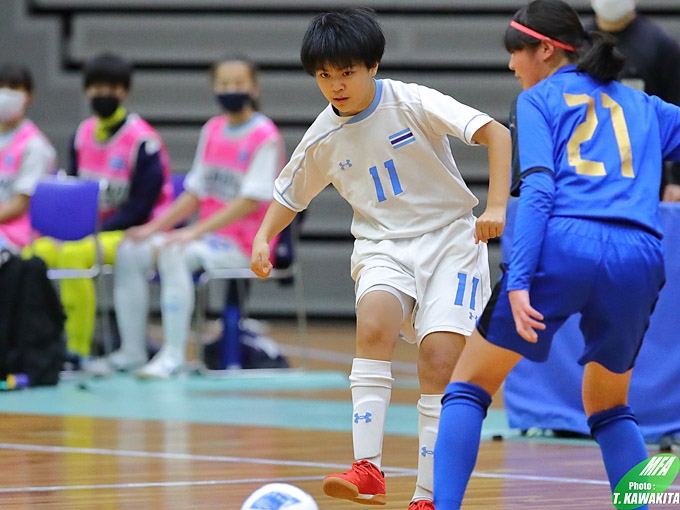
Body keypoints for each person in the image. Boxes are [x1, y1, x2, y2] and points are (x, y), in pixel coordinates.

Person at [250, 8, 511, 509]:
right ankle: (367, 468)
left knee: (438, 361)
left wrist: (496, 205)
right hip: (382, 246)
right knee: (374, 324)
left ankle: (428, 494)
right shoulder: (323, 136)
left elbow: (496, 134)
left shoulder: (412, 101)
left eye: (346, 72)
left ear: (372, 66)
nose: (335, 85)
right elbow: (290, 193)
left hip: (450, 242)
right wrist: (264, 236)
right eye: (324, 76)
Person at [432, 1, 680, 508]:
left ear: (544, 50)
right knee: (609, 405)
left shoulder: (539, 99)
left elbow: (539, 189)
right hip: (641, 255)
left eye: (515, 53)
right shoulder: (644, 105)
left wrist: (519, 278)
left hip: (565, 244)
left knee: (468, 386)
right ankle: (642, 504)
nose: (510, 65)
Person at [88, 56, 285, 379]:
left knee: (175, 252)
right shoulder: (213, 129)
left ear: (254, 87)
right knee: (130, 249)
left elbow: (250, 200)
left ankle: (173, 355)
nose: (230, 89)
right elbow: (194, 192)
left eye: (238, 83)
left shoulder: (265, 135)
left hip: (246, 243)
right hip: (208, 237)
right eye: (223, 83)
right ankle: (132, 352)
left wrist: (192, 233)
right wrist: (151, 228)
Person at [28, 52, 174, 359]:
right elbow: (75, 195)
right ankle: (32, 342)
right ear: (86, 90)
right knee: (33, 255)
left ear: (124, 91)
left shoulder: (143, 141)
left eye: (112, 88)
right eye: (96, 88)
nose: (103, 95)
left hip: (134, 232)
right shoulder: (81, 135)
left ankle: (75, 351)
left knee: (74, 254)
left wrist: (89, 232)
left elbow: (140, 208)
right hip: (89, 231)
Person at [589, 0, 680, 202]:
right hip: (588, 171)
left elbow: (676, 108)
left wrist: (677, 180)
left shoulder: (660, 44)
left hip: (644, 173)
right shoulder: (578, 43)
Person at [0, 63, 56, 253]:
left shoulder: (35, 145)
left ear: (29, 97)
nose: (5, 95)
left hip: (21, 234)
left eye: (13, 88)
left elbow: (20, 204)